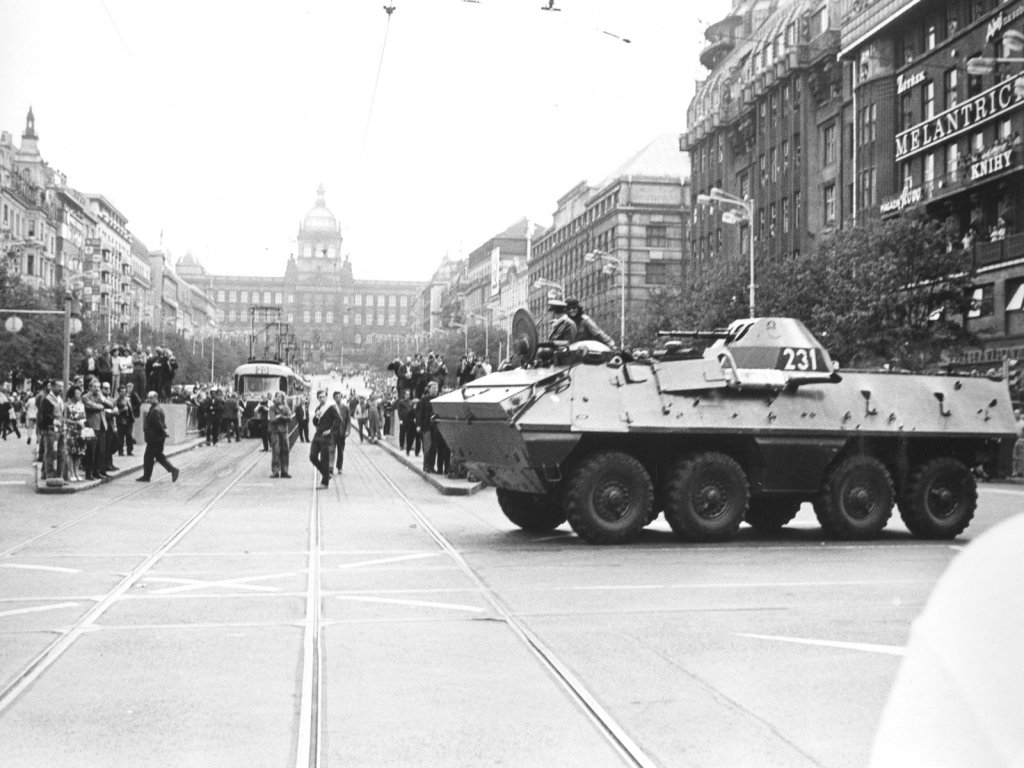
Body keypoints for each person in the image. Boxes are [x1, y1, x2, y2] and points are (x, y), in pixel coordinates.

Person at [137, 391, 180, 482]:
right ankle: (173, 470)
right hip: (158, 437)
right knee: (158, 456)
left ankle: (147, 476)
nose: (149, 400)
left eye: (151, 398)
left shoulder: (155, 410)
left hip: (154, 438)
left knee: (148, 457)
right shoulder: (157, 408)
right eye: (148, 398)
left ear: (155, 398)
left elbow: (158, 424)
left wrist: (161, 432)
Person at [309, 389, 339, 489]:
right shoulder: (318, 408)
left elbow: (339, 420)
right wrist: (316, 416)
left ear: (326, 397)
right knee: (312, 456)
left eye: (323, 397)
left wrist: (330, 430)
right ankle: (326, 474)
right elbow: (315, 423)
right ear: (317, 398)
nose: (322, 398)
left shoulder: (330, 408)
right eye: (320, 397)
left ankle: (324, 483)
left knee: (324, 459)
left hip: (326, 437)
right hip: (318, 435)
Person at [63, 385, 87, 482]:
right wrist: (76, 422)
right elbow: (65, 419)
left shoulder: (82, 405)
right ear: (72, 394)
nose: (79, 395)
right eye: (77, 393)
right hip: (71, 431)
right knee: (71, 452)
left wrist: (83, 423)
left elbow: (84, 417)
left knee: (79, 452)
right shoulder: (67, 405)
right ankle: (71, 473)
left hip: (80, 431)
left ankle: (77, 472)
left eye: (80, 393)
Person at [268, 391, 293, 478]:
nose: (278, 398)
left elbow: (290, 419)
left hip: (284, 432)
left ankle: (284, 471)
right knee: (276, 451)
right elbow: (272, 419)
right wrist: (283, 417)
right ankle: (275, 471)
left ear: (283, 399)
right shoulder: (272, 408)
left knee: (285, 450)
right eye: (277, 396)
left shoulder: (286, 408)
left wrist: (280, 416)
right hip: (275, 432)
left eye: (280, 397)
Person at [330, 391, 352, 475]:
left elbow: (348, 421)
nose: (338, 399)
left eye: (339, 397)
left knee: (340, 452)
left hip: (342, 434)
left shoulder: (346, 408)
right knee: (331, 450)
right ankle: (330, 468)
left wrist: (347, 431)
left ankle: (339, 467)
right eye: (336, 397)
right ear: (334, 398)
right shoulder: (331, 408)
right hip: (333, 433)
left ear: (341, 398)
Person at [114, 385, 135, 457]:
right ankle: (120, 451)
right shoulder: (117, 401)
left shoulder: (128, 399)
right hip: (121, 420)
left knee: (129, 436)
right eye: (121, 391)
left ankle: (129, 450)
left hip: (128, 420)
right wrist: (122, 409)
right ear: (119, 392)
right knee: (121, 437)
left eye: (124, 391)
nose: (123, 393)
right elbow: (116, 412)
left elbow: (131, 409)